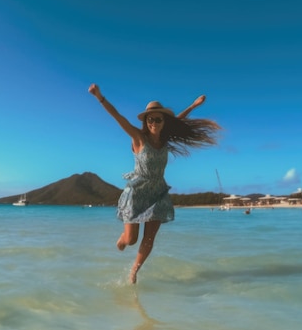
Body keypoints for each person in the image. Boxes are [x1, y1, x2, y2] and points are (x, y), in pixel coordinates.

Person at [88, 83, 221, 283]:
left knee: (149, 238)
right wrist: (99, 96)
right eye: (151, 119)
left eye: (158, 119)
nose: (154, 123)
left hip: (157, 192)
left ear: (163, 121)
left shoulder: (165, 139)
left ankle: (133, 272)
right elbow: (118, 117)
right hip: (137, 191)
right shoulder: (138, 138)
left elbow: (178, 120)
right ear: (146, 121)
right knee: (131, 240)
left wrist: (193, 106)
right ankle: (123, 239)